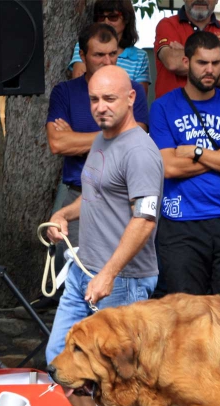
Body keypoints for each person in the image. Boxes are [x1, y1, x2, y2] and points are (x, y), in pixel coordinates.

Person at [46, 65, 163, 406]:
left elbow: (145, 219)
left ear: (132, 98)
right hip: (84, 275)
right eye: (95, 100)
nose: (100, 107)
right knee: (59, 359)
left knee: (124, 377)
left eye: (110, 99)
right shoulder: (100, 141)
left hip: (123, 281)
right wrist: (64, 213)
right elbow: (95, 193)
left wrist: (110, 274)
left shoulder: (140, 151)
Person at [149, 31, 220, 297]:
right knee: (186, 314)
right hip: (181, 222)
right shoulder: (162, 107)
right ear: (186, 63)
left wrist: (196, 152)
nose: (210, 70)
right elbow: (170, 167)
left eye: (216, 63)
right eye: (202, 63)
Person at [46, 23, 148, 250]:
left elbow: (136, 138)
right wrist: (115, 134)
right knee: (72, 275)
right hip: (77, 195)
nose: (108, 61)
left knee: (119, 277)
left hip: (122, 197)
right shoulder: (65, 92)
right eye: (99, 55)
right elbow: (57, 143)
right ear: (82, 55)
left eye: (113, 54)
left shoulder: (132, 90)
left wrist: (75, 137)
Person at [154, 0, 220, 98]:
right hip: (171, 109)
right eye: (202, 62)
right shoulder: (167, 25)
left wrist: (186, 52)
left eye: (215, 62)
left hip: (217, 111)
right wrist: (218, 64)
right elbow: (173, 62)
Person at [68, 0, 151, 95]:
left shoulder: (140, 57)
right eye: (101, 17)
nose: (106, 21)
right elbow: (80, 84)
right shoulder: (85, 45)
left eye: (113, 17)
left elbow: (138, 97)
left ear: (126, 18)